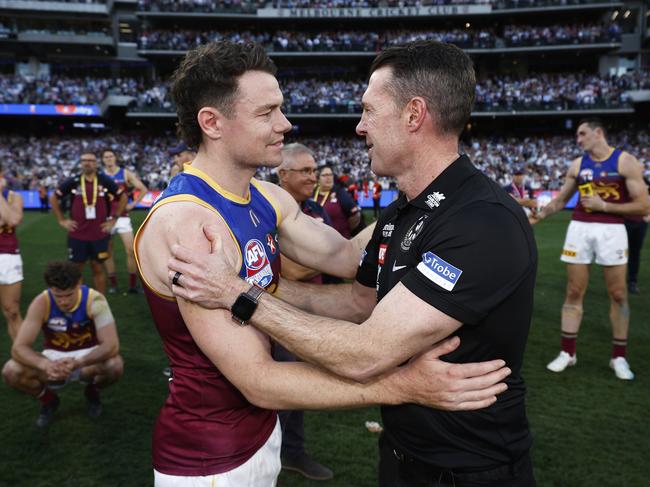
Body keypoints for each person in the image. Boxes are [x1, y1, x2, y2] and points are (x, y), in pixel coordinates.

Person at [135, 40, 511, 487]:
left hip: (258, 433)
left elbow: (347, 257)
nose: (285, 124)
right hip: (207, 455)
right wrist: (401, 385)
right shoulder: (191, 223)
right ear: (212, 123)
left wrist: (436, 196)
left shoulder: (266, 197)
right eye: (266, 113)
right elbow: (257, 380)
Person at [532, 118, 650, 380]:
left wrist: (605, 207)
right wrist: (538, 216)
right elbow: (561, 200)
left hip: (612, 231)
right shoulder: (577, 165)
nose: (578, 139)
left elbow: (643, 206)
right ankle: (567, 353)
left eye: (582, 134)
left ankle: (618, 357)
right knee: (573, 291)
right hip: (580, 229)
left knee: (618, 294)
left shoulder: (625, 162)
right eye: (576, 135)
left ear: (598, 133)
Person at [1, 261, 123, 427]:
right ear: (50, 288)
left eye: (69, 295)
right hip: (53, 357)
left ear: (79, 284)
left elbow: (111, 345)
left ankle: (92, 391)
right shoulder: (41, 302)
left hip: (87, 357)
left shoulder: (95, 300)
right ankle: (49, 400)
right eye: (58, 295)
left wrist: (79, 362)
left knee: (115, 365)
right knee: (11, 371)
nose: (64, 301)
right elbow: (18, 348)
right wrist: (45, 364)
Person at [274, 142, 333, 480]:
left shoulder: (314, 209)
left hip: (312, 313)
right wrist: (338, 255)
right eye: (306, 171)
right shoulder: (268, 211)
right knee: (282, 391)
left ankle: (292, 453)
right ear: (283, 175)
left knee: (299, 389)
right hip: (279, 317)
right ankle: (273, 455)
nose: (314, 177)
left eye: (315, 170)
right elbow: (290, 272)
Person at [50, 151, 127, 295]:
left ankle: (100, 302)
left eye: (91, 160)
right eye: (84, 160)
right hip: (78, 234)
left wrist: (114, 219)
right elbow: (54, 197)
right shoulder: (74, 181)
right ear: (80, 163)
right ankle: (80, 301)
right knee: (76, 270)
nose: (87, 163)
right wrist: (61, 219)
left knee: (98, 268)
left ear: (96, 163)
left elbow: (122, 197)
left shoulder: (104, 180)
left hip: (99, 234)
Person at [101, 149, 149, 294]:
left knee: (131, 250)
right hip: (105, 219)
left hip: (122, 217)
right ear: (103, 160)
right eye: (106, 157)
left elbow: (143, 189)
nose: (109, 159)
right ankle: (113, 285)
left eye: (111, 156)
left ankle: (133, 285)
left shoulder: (124, 173)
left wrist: (133, 204)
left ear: (115, 158)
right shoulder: (100, 175)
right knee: (107, 252)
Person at [0, 166, 23, 341]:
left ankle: (24, 358)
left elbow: (13, 220)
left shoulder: (13, 196)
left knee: (12, 310)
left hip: (7, 255)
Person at [314, 165, 361, 239]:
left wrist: (344, 231)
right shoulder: (312, 193)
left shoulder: (340, 192)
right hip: (316, 240)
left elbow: (355, 216)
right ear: (318, 178)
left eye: (330, 174)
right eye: (325, 175)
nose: (328, 177)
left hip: (339, 241)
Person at [624, 169, 650, 294]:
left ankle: (632, 282)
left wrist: (646, 219)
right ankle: (618, 280)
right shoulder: (626, 184)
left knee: (635, 253)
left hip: (640, 224)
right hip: (625, 222)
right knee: (620, 252)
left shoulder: (645, 184)